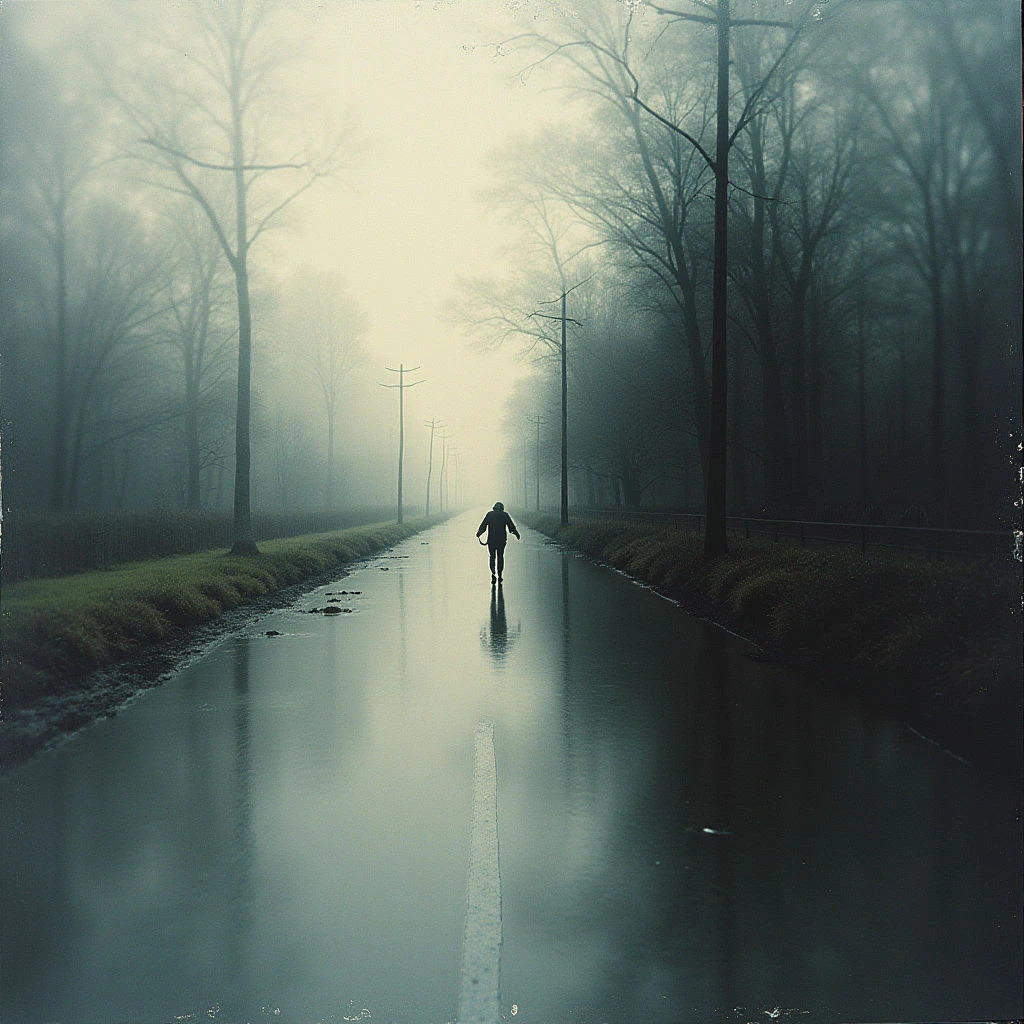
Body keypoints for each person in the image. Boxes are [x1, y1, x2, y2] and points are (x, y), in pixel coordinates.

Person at [476, 501, 520, 584]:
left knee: (492, 557)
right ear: (502, 508)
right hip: (501, 540)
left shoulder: (489, 514)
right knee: (500, 557)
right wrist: (517, 534)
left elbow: (483, 525)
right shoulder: (505, 515)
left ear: (494, 508)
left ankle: (493, 574)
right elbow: (511, 526)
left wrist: (479, 533)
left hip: (491, 541)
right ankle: (500, 575)